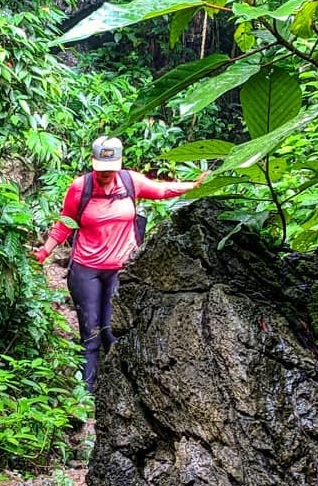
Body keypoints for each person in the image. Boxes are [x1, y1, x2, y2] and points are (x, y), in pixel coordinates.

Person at [32, 135, 206, 392]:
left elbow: (161, 190)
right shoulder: (81, 188)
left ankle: (116, 394)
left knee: (113, 331)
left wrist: (193, 186)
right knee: (90, 334)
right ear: (93, 164)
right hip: (86, 270)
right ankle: (86, 396)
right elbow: (64, 224)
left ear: (119, 164)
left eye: (110, 169)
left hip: (120, 271)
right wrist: (44, 252)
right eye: (101, 169)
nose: (105, 174)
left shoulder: (129, 181)